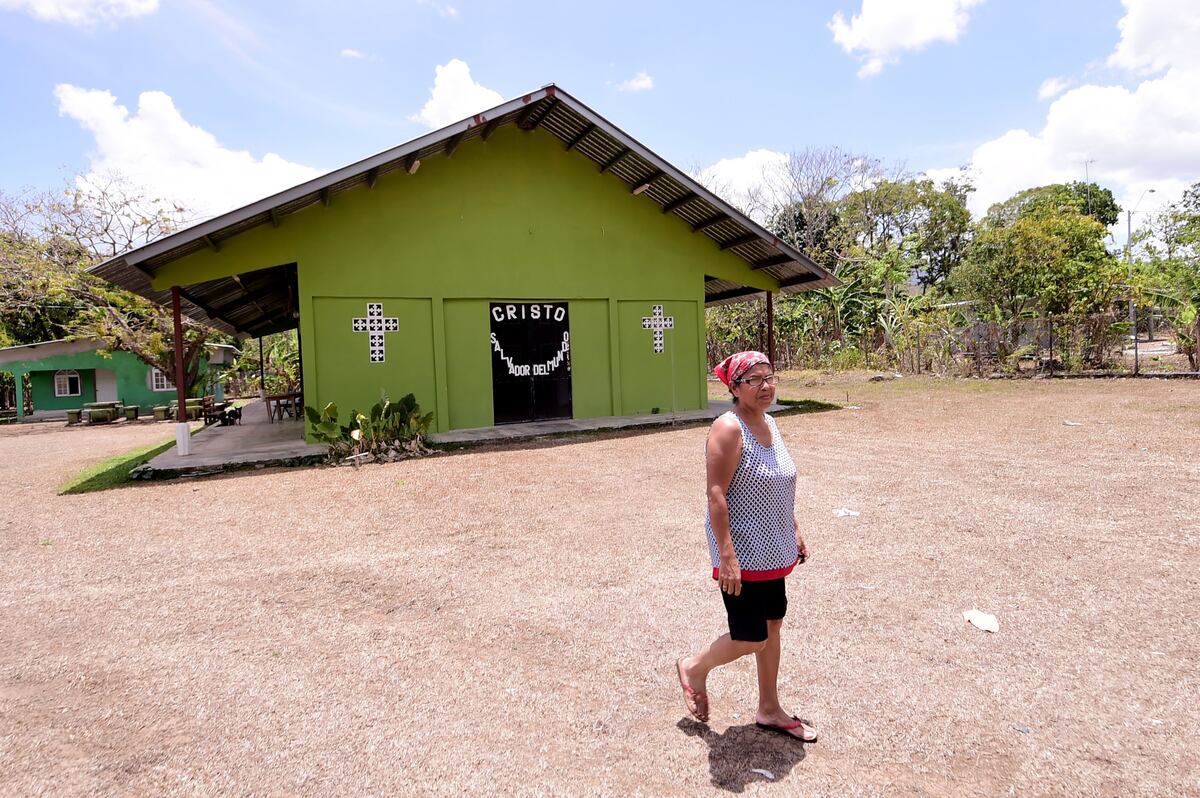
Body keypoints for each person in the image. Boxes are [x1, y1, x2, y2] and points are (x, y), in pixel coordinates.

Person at [676, 350, 816, 742]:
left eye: (769, 376)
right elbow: (716, 493)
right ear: (734, 387)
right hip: (742, 553)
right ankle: (694, 667)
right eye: (753, 380)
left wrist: (794, 528)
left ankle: (769, 708)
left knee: (772, 625)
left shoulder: (769, 422)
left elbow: (780, 483)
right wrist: (726, 555)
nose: (765, 386)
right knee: (751, 635)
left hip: (774, 548)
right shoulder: (728, 427)